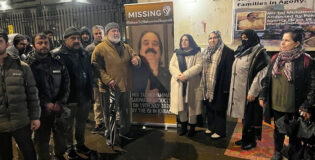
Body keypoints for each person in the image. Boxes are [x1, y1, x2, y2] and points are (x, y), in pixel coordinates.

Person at [260, 29, 315, 160]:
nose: (282, 43)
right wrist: (263, 95)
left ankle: (293, 155)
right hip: (277, 105)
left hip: (295, 106)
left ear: (296, 43)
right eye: (282, 40)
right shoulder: (275, 58)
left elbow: (313, 86)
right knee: (278, 131)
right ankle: (277, 152)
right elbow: (267, 79)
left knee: (295, 135)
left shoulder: (306, 61)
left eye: (286, 40)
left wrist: (307, 106)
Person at [91, 22, 141, 145]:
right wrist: (107, 80)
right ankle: (110, 136)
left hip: (124, 86)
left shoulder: (126, 47)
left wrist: (136, 60)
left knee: (125, 111)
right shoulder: (100, 48)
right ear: (107, 33)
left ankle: (125, 132)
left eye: (117, 30)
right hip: (109, 88)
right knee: (109, 114)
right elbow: (95, 65)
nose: (116, 33)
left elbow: (135, 56)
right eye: (113, 31)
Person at [25, 33, 70, 160]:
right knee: (42, 141)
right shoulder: (28, 65)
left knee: (61, 138)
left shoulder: (58, 61)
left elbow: (66, 84)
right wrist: (45, 104)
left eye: (46, 43)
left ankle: (59, 155)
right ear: (34, 45)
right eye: (40, 43)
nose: (44, 45)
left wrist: (60, 102)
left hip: (58, 109)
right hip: (40, 111)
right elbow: (29, 89)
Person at [52, 26, 93, 159]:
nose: (76, 41)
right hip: (69, 98)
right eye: (72, 38)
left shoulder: (84, 53)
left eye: (77, 38)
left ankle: (80, 144)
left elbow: (89, 73)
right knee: (67, 126)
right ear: (65, 40)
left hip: (84, 96)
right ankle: (70, 148)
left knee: (81, 124)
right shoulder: (57, 55)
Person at [0, 32, 41, 160]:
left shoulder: (22, 67)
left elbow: (32, 93)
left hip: (21, 121)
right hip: (0, 124)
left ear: (7, 44)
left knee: (29, 154)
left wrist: (35, 117)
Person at [227, 29, 269, 150]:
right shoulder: (242, 50)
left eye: (247, 37)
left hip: (250, 91)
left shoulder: (259, 52)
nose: (244, 39)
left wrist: (253, 92)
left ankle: (251, 141)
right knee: (244, 117)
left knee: (250, 117)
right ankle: (245, 138)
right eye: (243, 37)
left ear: (253, 38)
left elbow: (261, 73)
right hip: (240, 90)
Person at [200, 30, 234, 139]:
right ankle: (211, 127)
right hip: (207, 85)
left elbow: (229, 72)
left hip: (220, 84)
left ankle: (220, 131)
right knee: (209, 107)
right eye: (210, 38)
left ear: (219, 38)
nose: (212, 40)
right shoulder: (206, 52)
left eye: (215, 37)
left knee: (219, 108)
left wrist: (226, 88)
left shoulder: (227, 52)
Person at [169, 34, 202, 137]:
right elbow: (171, 66)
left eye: (186, 40)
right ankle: (183, 126)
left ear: (190, 41)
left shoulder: (196, 52)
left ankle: (192, 127)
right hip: (179, 83)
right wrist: (179, 76)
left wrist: (186, 75)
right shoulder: (177, 53)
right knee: (181, 105)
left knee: (192, 106)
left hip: (192, 83)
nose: (184, 42)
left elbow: (199, 66)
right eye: (182, 40)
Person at [133, 31, 171, 103]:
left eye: (155, 44)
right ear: (140, 50)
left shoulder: (170, 75)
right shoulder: (133, 74)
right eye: (146, 43)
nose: (150, 47)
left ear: (160, 51)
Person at [85, 25, 106, 134]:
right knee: (97, 102)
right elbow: (87, 66)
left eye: (100, 33)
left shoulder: (110, 46)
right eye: (96, 33)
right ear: (93, 35)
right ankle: (99, 123)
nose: (99, 35)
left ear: (104, 33)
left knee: (109, 102)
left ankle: (111, 122)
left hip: (109, 80)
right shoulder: (89, 49)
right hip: (95, 80)